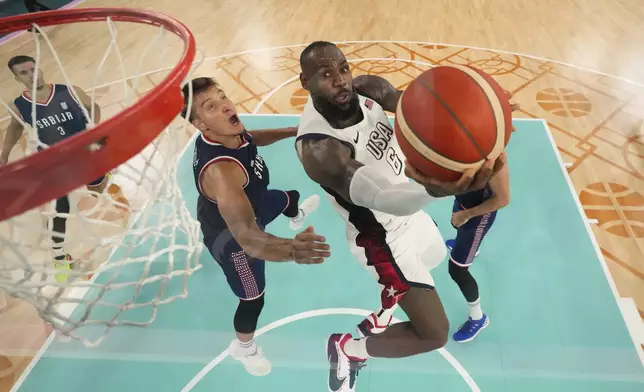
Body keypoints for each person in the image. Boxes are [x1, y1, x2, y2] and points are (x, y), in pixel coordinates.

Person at [294, 41, 510, 392]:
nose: (340, 80)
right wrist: (439, 189)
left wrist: (487, 112)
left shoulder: (369, 89)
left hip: (411, 215)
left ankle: (390, 299)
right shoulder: (320, 149)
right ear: (305, 82)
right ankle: (348, 350)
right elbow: (384, 198)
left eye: (343, 68)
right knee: (434, 333)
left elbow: (422, 110)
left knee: (437, 255)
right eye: (326, 74)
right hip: (381, 239)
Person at [182, 77, 329, 377]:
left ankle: (295, 214)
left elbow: (252, 137)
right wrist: (292, 250)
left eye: (222, 97)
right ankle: (244, 348)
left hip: (254, 202)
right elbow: (248, 237)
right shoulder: (221, 173)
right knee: (252, 299)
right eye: (212, 106)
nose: (225, 106)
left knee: (290, 198)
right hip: (234, 240)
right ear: (199, 124)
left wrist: (294, 132)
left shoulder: (227, 133)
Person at [1, 55, 111, 283]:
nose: (32, 75)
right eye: (24, 73)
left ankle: (102, 183)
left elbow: (94, 106)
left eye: (33, 69)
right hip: (55, 164)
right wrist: (4, 154)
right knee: (60, 209)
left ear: (40, 68)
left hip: (84, 154)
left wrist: (93, 129)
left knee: (98, 188)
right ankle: (60, 256)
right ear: (17, 78)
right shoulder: (19, 106)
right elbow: (14, 128)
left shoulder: (70, 91)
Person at [445, 163, 510, 343]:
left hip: (478, 216)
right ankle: (470, 247)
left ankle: (477, 318)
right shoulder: (461, 147)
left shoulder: (496, 160)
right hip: (463, 202)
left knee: (457, 270)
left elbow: (503, 199)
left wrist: (468, 215)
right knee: (457, 226)